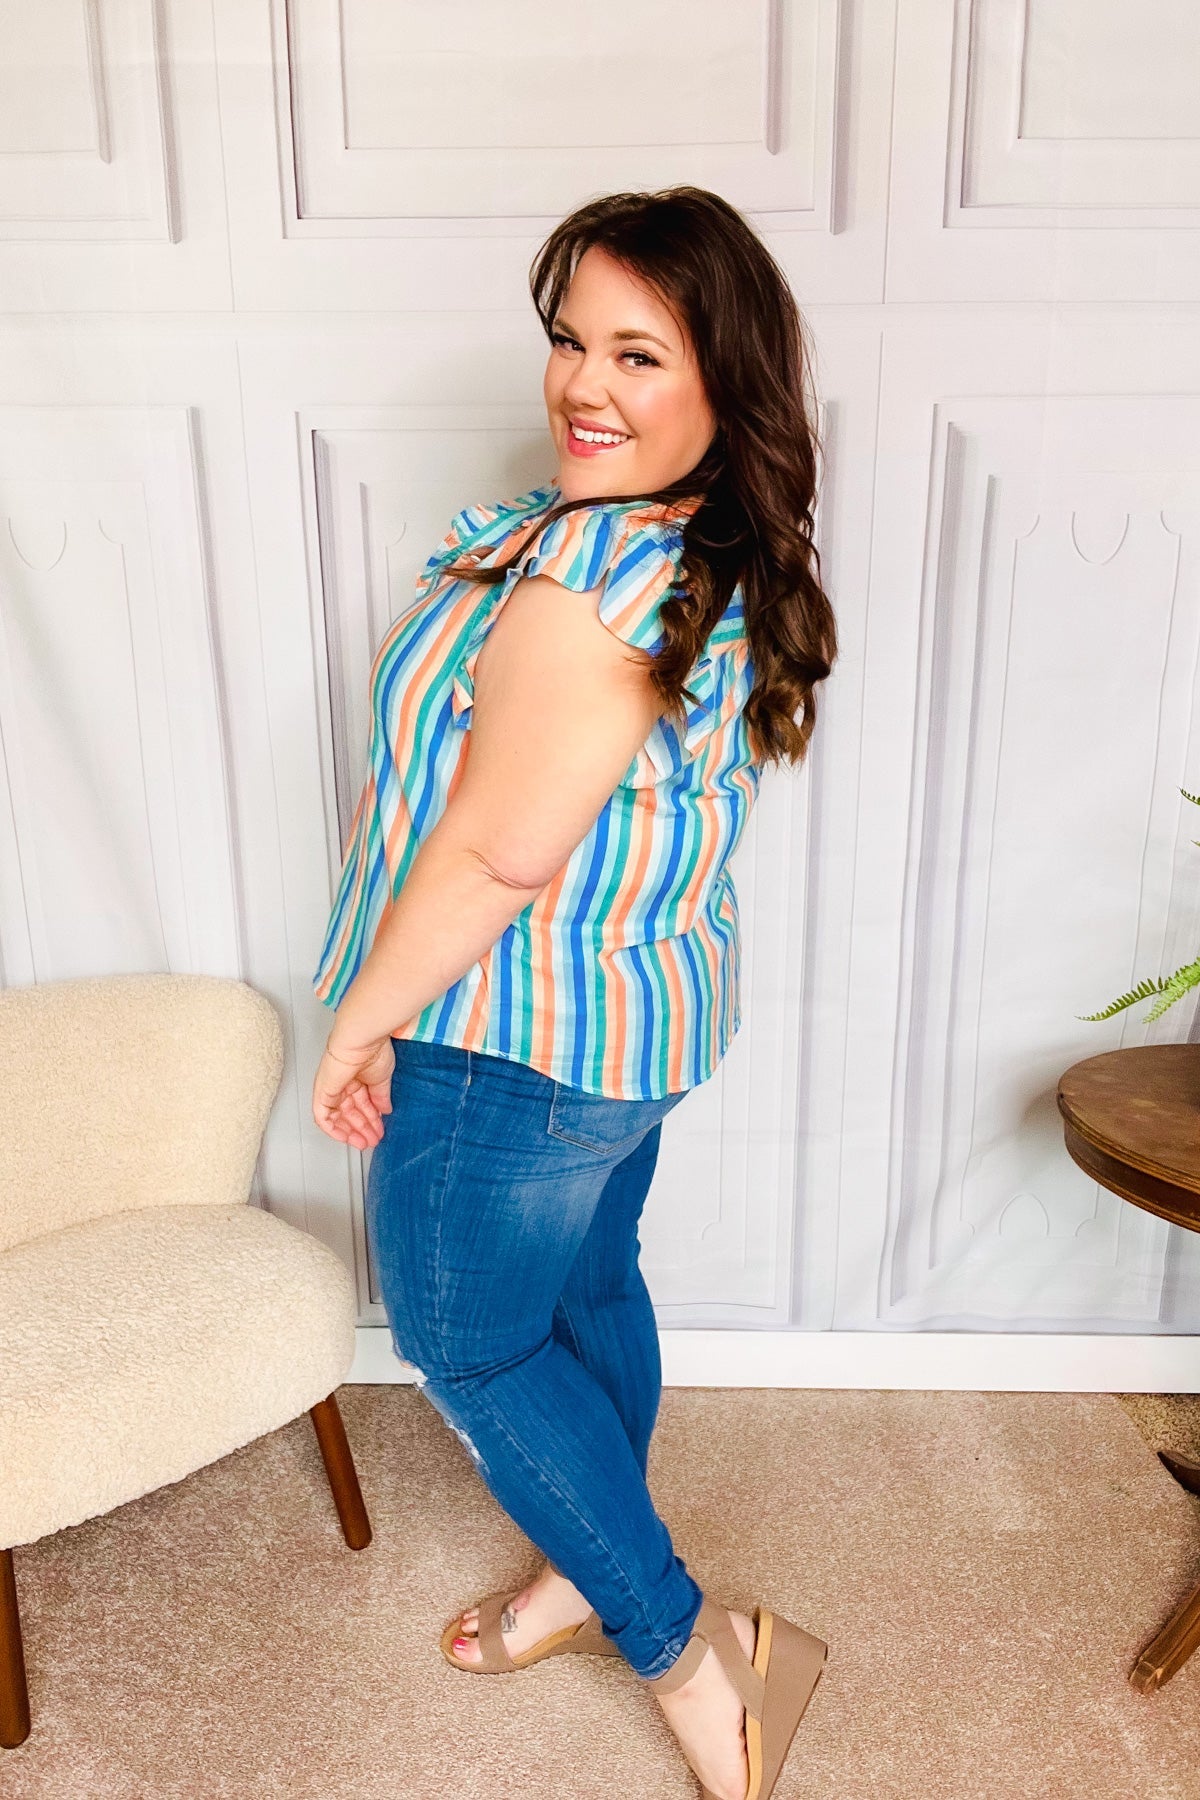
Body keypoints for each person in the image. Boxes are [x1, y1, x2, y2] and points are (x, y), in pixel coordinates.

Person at [310, 186, 838, 1800]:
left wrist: (358, 1019)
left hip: (508, 1044)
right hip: (633, 1026)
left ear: (723, 381)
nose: (583, 386)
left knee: (469, 1344)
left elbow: (495, 855)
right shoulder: (694, 539)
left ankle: (689, 1661)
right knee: (589, 1291)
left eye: (638, 354)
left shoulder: (592, 577)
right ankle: (577, 1575)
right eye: (569, 340)